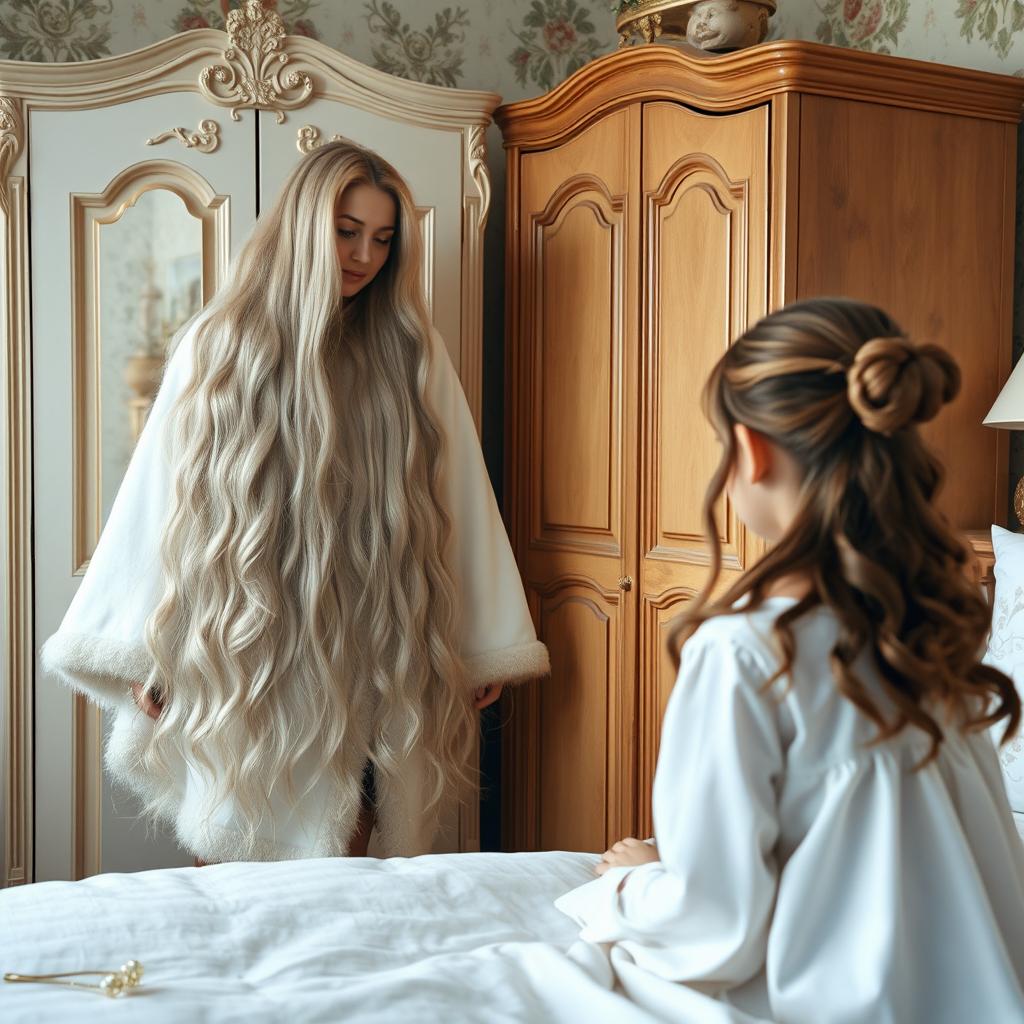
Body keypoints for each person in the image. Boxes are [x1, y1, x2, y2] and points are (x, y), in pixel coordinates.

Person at [43, 141, 548, 863]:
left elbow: (459, 497)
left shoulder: (411, 352)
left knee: (351, 867)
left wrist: (482, 643)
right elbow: (159, 505)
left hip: (373, 648)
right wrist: (145, 655)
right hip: (242, 648)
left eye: (382, 238)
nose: (365, 255)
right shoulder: (218, 347)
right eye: (347, 231)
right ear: (306, 225)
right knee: (231, 857)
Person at [556, 299, 1024, 1022]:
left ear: (750, 451)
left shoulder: (744, 653)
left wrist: (640, 882)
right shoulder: (936, 634)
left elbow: (717, 933)